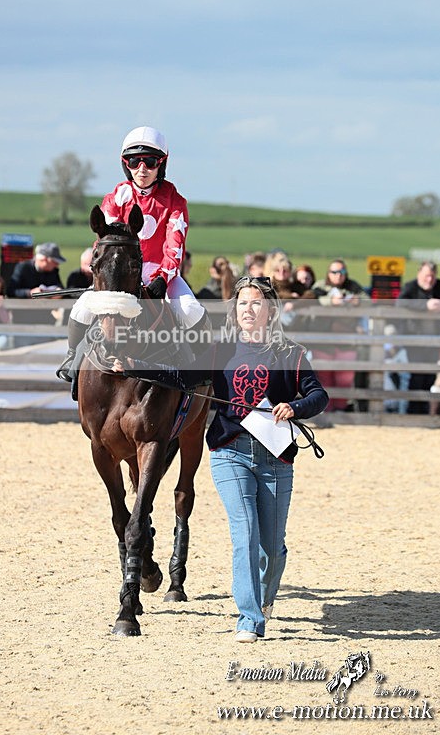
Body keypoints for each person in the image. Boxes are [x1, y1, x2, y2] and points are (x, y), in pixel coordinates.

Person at [113, 276, 328, 643]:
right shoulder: (220, 349)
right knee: (244, 533)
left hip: (276, 458)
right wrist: (137, 366)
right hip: (230, 452)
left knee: (272, 547)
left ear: (270, 310)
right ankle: (249, 618)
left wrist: (294, 407)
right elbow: (182, 377)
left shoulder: (291, 354)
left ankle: (262, 597)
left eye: (256, 303)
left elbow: (319, 395)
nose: (248, 309)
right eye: (242, 303)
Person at [57, 126, 206, 381]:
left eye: (149, 161)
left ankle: (203, 371)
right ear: (126, 164)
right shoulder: (115, 197)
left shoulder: (175, 201)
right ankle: (72, 357)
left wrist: (163, 278)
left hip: (160, 273)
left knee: (191, 310)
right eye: (134, 161)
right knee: (81, 309)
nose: (142, 169)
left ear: (161, 164)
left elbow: (175, 246)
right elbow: (105, 243)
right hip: (120, 273)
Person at [311, 259, 368, 412]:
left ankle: (341, 410)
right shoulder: (320, 286)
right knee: (324, 378)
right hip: (323, 340)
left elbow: (368, 301)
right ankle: (326, 410)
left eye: (341, 272)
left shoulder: (352, 287)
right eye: (334, 272)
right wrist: (330, 301)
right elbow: (312, 299)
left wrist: (357, 302)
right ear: (328, 273)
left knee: (345, 379)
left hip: (346, 340)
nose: (338, 275)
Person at [398, 261, 440, 414]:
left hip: (434, 340)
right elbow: (400, 303)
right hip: (413, 340)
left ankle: (424, 412)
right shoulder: (410, 287)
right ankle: (410, 412)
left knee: (430, 377)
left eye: (432, 277)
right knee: (414, 377)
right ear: (419, 274)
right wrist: (425, 306)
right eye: (427, 276)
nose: (430, 280)